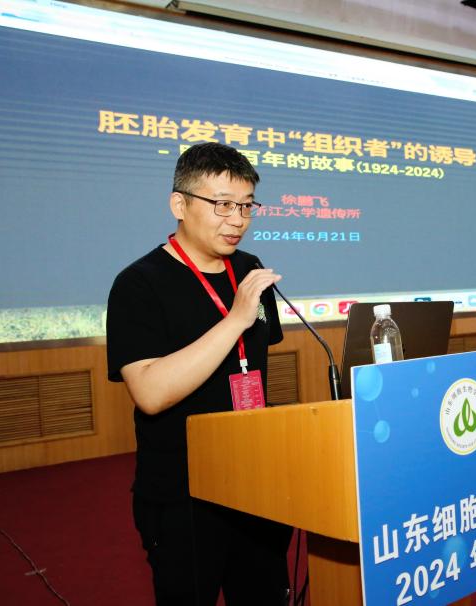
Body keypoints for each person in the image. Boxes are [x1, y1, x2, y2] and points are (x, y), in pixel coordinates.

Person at [106, 142, 291, 605]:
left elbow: (252, 363)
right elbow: (150, 393)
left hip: (256, 478)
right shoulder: (139, 283)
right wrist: (234, 320)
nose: (238, 220)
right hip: (182, 490)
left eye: (246, 206)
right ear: (179, 204)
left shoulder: (249, 269)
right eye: (222, 204)